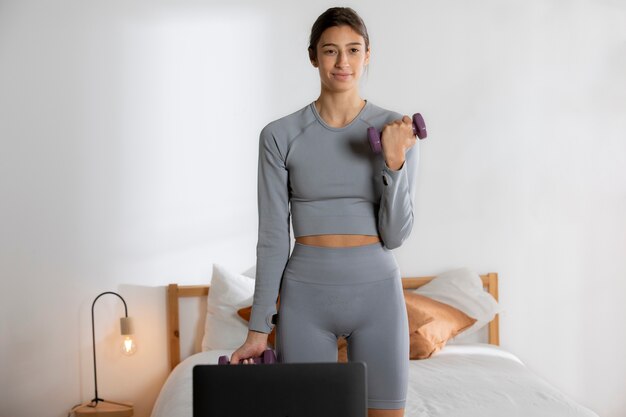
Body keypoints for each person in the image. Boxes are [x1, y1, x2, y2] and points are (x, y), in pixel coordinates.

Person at [230, 6, 419, 417]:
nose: (343, 62)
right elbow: (273, 237)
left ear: (368, 54)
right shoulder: (279, 136)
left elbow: (396, 235)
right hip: (305, 298)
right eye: (330, 51)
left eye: (353, 50)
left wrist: (393, 162)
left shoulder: (395, 129)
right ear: (313, 56)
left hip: (378, 294)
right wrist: (259, 327)